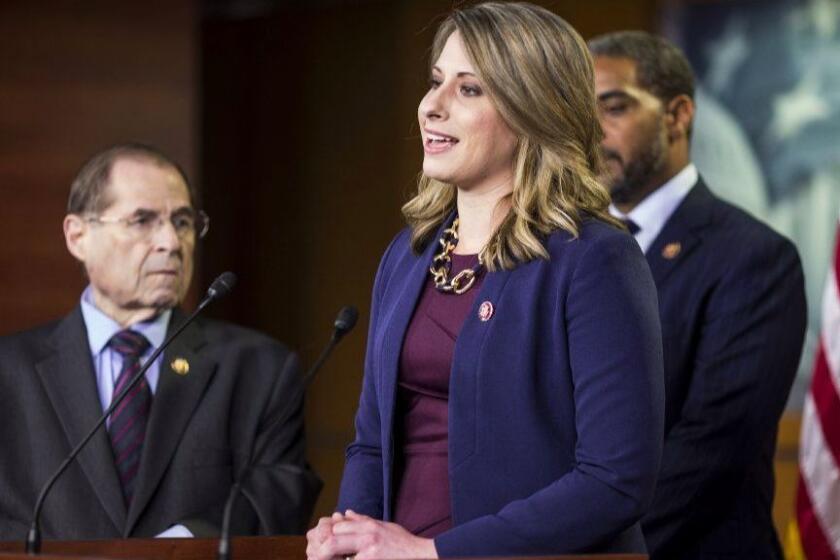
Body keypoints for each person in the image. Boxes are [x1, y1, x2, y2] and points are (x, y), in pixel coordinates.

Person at [306, 3, 664, 558]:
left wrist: (433, 554)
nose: (432, 106)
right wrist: (351, 535)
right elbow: (371, 445)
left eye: (469, 89)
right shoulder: (408, 254)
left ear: (533, 110)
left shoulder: (595, 258)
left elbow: (614, 481)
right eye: (435, 81)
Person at [0, 144, 321, 540]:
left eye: (183, 222)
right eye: (142, 221)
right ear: (78, 236)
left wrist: (178, 548)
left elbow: (278, 499)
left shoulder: (259, 369)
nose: (171, 242)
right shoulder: (8, 373)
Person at [589, 31, 807, 559]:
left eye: (612, 108)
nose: (590, 133)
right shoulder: (568, 251)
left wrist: (591, 551)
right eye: (579, 112)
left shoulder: (755, 258)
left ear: (678, 115)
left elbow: (713, 449)